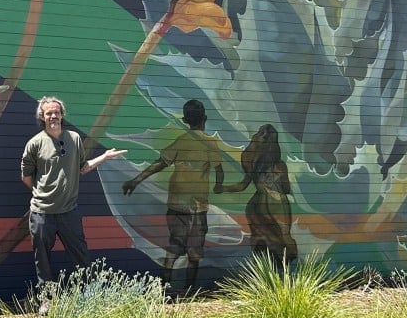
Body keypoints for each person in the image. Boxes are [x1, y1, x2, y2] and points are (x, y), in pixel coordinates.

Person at [21, 95, 127, 285]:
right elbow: (26, 176)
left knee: (81, 255)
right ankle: (47, 299)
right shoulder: (35, 143)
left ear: (62, 115)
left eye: (56, 112)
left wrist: (104, 157)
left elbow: (82, 167)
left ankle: (88, 294)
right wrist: (42, 194)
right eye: (49, 113)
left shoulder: (74, 138)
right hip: (42, 213)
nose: (53, 116)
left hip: (69, 211)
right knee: (42, 259)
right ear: (42, 117)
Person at [121, 99, 224, 292]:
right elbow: (219, 170)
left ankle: (163, 285)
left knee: (176, 243)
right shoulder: (211, 143)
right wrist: (218, 185)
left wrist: (136, 180)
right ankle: (189, 291)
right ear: (205, 119)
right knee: (194, 252)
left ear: (185, 121)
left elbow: (160, 162)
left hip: (177, 202)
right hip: (197, 206)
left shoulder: (182, 140)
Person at [222, 123, 298, 268]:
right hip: (276, 204)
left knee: (259, 238)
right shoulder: (280, 166)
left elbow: (242, 185)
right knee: (284, 236)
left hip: (256, 205)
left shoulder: (253, 164)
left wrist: (222, 188)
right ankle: (286, 270)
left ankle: (262, 271)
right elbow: (286, 189)